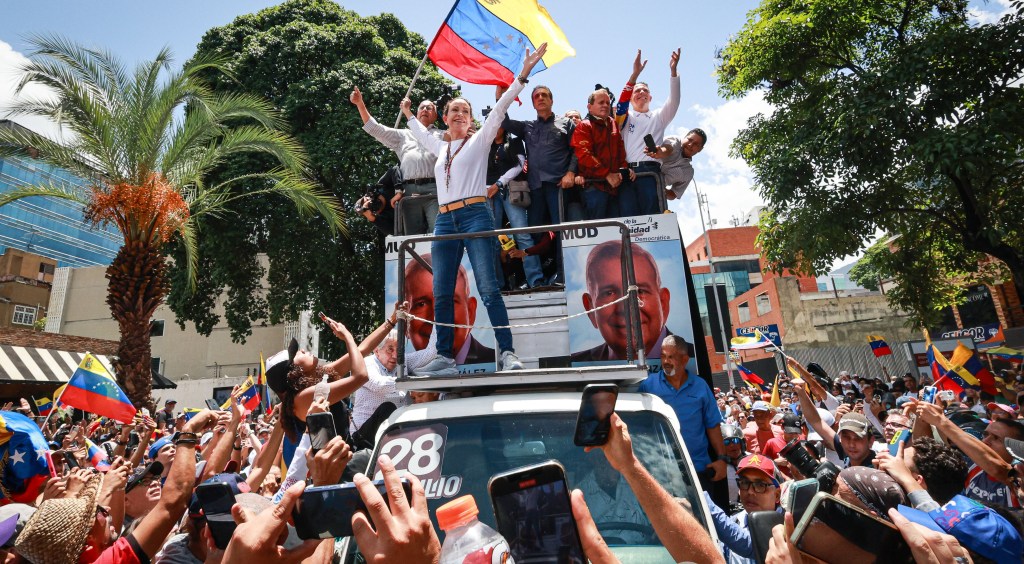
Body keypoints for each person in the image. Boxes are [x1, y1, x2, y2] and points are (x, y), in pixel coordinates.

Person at [401, 45, 549, 376]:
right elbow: (420, 134)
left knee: (487, 288)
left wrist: (522, 74)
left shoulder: (480, 140)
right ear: (445, 117)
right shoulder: (439, 146)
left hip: (476, 214)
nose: (459, 115)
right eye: (454, 110)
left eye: (465, 111)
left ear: (470, 120)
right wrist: (408, 113)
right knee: (442, 291)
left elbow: (500, 107)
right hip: (445, 220)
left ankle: (507, 352)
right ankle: (444, 355)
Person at [502, 83, 579, 283]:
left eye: (545, 95)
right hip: (535, 189)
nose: (541, 98)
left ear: (552, 101)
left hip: (558, 188)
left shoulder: (567, 123)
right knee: (535, 234)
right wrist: (501, 93)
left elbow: (577, 150)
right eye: (537, 96)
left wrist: (571, 172)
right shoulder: (528, 126)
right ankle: (538, 279)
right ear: (533, 103)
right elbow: (503, 120)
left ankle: (563, 277)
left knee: (562, 233)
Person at [351, 86, 444, 235]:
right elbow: (375, 129)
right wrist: (360, 104)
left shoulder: (443, 135)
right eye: (422, 107)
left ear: (435, 116)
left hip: (435, 189)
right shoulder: (403, 135)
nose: (425, 109)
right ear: (417, 112)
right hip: (409, 190)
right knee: (412, 236)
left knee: (439, 233)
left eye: (430, 108)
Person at [639, 335, 728, 489]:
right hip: (662, 473)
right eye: (663, 356)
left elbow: (712, 425)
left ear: (685, 359)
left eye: (671, 357)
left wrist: (721, 458)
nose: (665, 362)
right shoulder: (648, 386)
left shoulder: (700, 386)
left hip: (699, 471)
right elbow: (640, 428)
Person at [571, 240, 673, 363]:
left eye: (639, 291)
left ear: (663, 303)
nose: (626, 308)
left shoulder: (694, 360)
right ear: (590, 309)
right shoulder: (578, 365)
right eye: (609, 293)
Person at [402, 247, 496, 369]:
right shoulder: (399, 366)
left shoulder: (494, 360)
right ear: (405, 322)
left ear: (471, 311)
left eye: (449, 302)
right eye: (421, 304)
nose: (437, 318)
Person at [614, 49, 680, 215]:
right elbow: (621, 104)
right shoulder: (624, 117)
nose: (641, 92)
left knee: (653, 216)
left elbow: (675, 100)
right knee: (629, 217)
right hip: (627, 173)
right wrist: (634, 75)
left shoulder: (659, 117)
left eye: (645, 90)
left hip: (651, 173)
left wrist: (673, 73)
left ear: (650, 97)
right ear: (631, 98)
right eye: (637, 91)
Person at [485, 126, 544, 288]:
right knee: (492, 240)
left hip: (512, 190)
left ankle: (536, 280)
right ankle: (497, 284)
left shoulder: (515, 141)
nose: (494, 127)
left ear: (504, 126)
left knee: (522, 235)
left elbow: (519, 165)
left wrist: (499, 183)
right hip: (488, 192)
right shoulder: (484, 144)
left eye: (498, 123)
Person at [705, 454, 783, 564]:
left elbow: (751, 544)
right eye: (745, 483)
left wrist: (702, 499)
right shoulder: (735, 520)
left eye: (760, 485)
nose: (750, 491)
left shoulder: (785, 525)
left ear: (777, 495)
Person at [571, 88, 630, 220]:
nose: (605, 105)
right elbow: (584, 155)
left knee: (616, 233)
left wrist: (624, 168)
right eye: (601, 102)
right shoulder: (583, 126)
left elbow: (620, 150)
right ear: (589, 107)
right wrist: (606, 174)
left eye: (607, 103)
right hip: (594, 188)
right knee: (597, 232)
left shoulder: (613, 123)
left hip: (614, 188)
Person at [648, 128, 706, 200]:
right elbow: (668, 148)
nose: (690, 145)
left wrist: (659, 190)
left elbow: (674, 194)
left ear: (700, 149)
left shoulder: (688, 172)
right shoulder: (675, 141)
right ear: (685, 137)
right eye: (690, 140)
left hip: (650, 195)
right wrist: (661, 152)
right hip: (637, 174)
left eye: (696, 144)